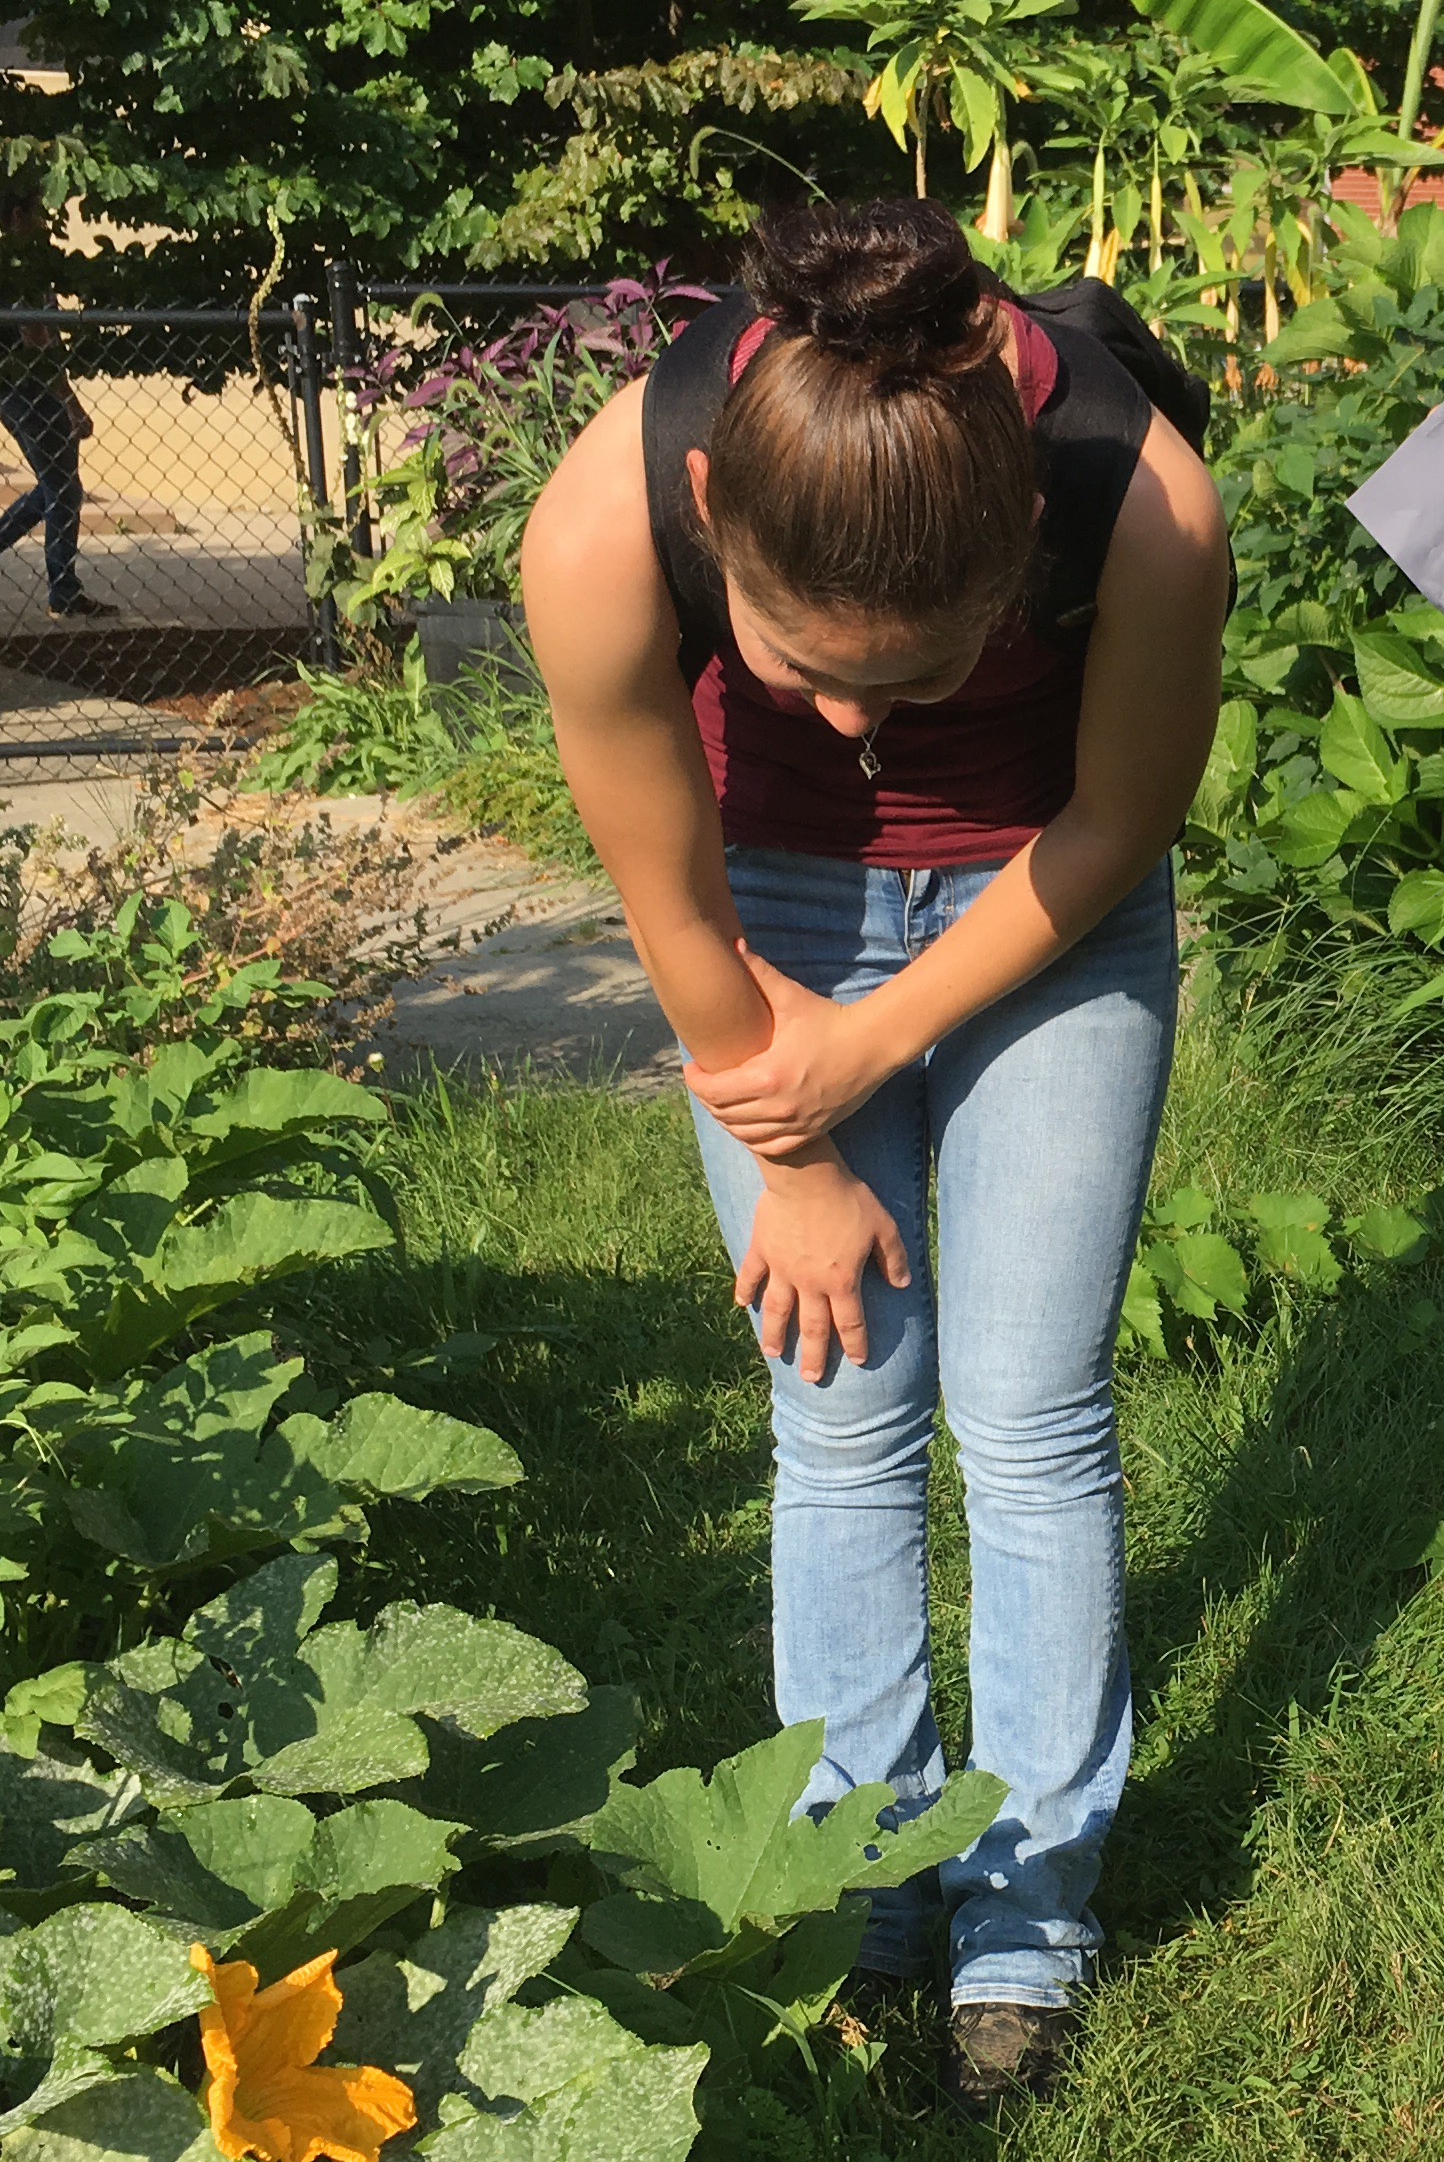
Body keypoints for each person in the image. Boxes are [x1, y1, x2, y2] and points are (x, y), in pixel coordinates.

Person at [519, 199, 1228, 2113]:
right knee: (836, 1399)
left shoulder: (1141, 501)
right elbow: (660, 888)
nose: (845, 718)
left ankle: (1025, 1910)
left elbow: (1119, 817)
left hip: (1042, 904)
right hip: (752, 916)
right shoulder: (603, 521)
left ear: (1011, 560)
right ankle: (858, 1876)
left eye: (908, 680)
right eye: (796, 666)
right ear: (712, 526)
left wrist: (882, 1034)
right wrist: (802, 1138)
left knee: (1029, 1412)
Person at [0, 194, 115, 619]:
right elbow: (39, 339)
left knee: (60, 487)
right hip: (32, 390)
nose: (47, 220)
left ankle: (46, 581)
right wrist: (69, 400)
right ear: (20, 214)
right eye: (40, 211)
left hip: (5, 390)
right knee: (63, 488)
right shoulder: (25, 270)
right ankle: (4, 564)